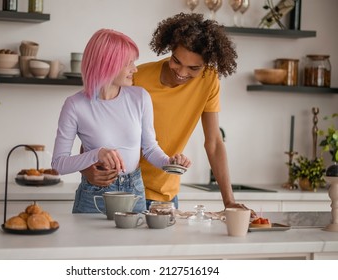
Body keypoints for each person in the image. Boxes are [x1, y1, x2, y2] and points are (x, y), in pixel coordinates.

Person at [81, 13, 253, 213]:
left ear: (206, 65)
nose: (181, 72)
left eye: (193, 68)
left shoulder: (209, 81)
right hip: (124, 190)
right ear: (170, 49)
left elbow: (214, 143)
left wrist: (229, 201)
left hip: (166, 197)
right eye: (176, 61)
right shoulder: (138, 79)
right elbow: (95, 128)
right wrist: (87, 170)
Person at [51, 28, 191, 214]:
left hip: (134, 192)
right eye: (128, 63)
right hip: (94, 197)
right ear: (107, 64)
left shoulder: (140, 97)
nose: (135, 69)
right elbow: (59, 164)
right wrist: (96, 154)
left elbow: (150, 149)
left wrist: (170, 162)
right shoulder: (75, 105)